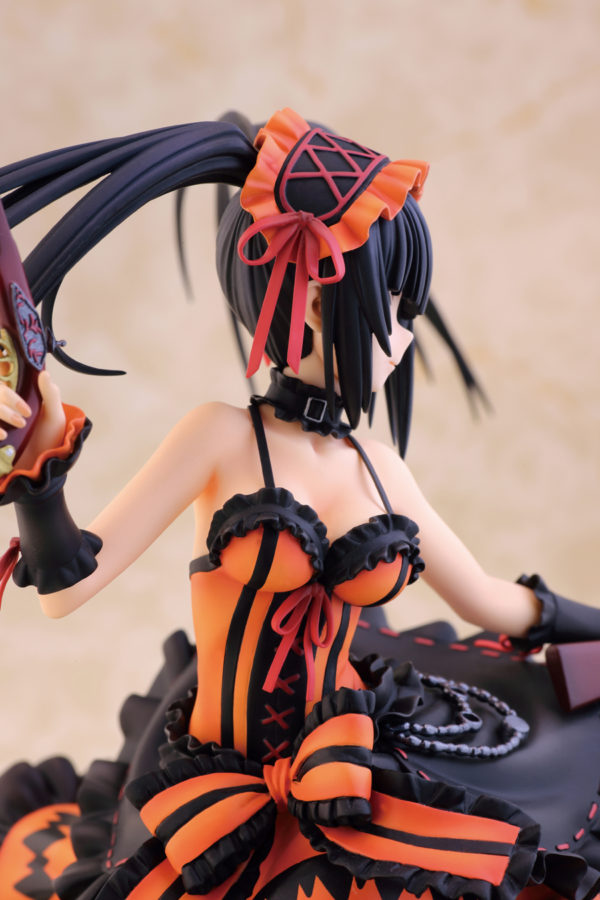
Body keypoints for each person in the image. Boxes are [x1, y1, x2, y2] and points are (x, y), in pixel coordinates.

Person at [0, 108, 598, 900]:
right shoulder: (219, 437)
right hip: (223, 781)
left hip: (354, 762)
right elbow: (67, 590)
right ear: (314, 304)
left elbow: (488, 599)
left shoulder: (380, 469)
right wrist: (41, 470)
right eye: (393, 309)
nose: (404, 339)